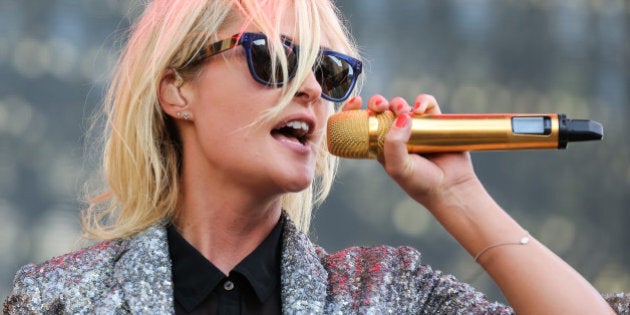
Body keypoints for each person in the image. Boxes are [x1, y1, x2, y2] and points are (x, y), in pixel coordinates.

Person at [3, 0, 629, 314]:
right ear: (177, 90)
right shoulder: (61, 299)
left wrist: (455, 196)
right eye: (273, 60)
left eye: (330, 73)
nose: (309, 89)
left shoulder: (384, 292)